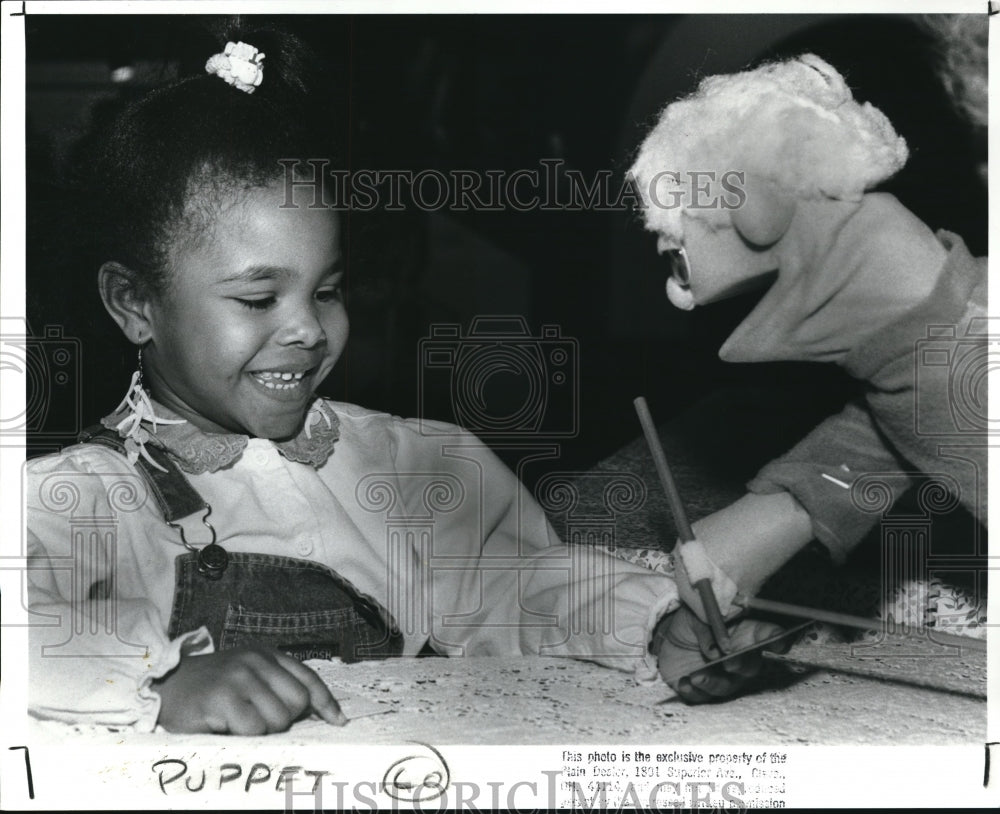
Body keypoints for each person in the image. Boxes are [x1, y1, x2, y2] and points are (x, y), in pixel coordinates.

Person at [24, 24, 794, 735]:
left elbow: (515, 586)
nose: (307, 328)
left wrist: (656, 626)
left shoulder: (415, 465)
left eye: (326, 290)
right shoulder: (76, 504)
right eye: (259, 298)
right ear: (134, 304)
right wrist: (161, 688)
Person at [627, 50, 987, 703]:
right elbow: (879, 440)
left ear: (756, 204)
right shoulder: (916, 354)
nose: (676, 280)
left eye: (678, 245)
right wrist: (760, 528)